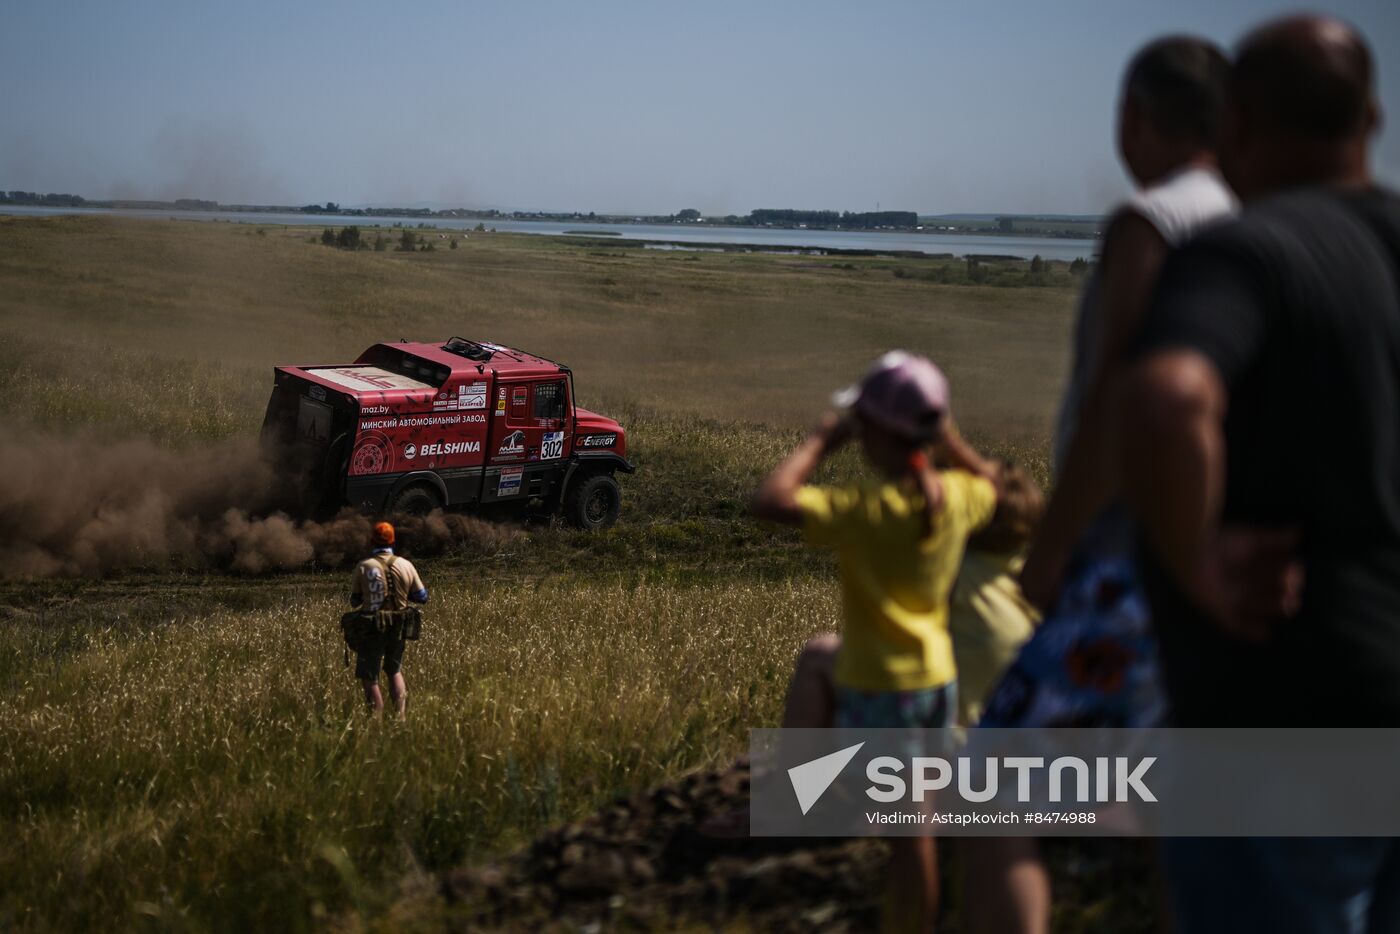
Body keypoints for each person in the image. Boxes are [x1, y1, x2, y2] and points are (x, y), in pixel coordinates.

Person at [1120, 15, 1400, 932]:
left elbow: (1165, 400)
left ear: (1234, 121)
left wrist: (1195, 559)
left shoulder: (1249, 251)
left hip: (1288, 718)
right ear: (1374, 119)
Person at [965, 36, 1235, 934]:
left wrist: (1047, 560)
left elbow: (1124, 408)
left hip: (1126, 565)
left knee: (989, 788)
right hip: (1219, 570)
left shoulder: (1151, 225)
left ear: (1134, 115)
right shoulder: (1254, 221)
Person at [753, 351, 1000, 933]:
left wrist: (821, 440)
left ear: (874, 435)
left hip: (881, 688)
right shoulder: (960, 498)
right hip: (935, 681)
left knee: (909, 837)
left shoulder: (871, 510)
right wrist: (949, 439)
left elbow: (770, 501)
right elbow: (990, 478)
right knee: (918, 823)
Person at [350, 521, 429, 717]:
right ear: (393, 541)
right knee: (394, 670)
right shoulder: (406, 564)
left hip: (372, 626)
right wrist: (402, 596)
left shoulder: (364, 566)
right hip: (399, 625)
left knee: (370, 675)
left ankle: (375, 719)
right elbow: (422, 597)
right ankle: (400, 717)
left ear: (372, 541)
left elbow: (354, 601)